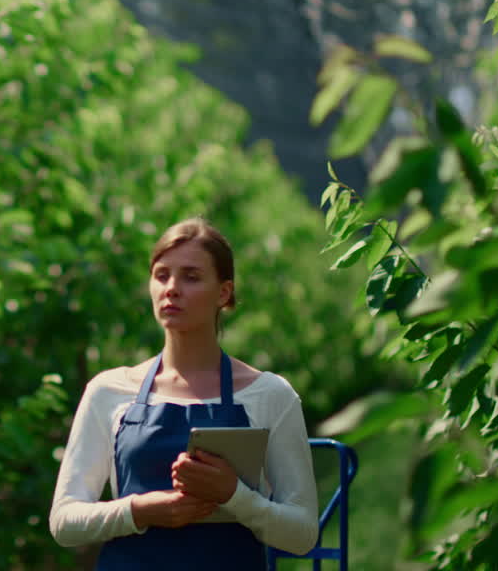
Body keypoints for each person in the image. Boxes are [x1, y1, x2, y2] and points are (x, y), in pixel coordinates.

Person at [49, 218, 318, 569]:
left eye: (191, 277)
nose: (172, 288)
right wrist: (140, 510)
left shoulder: (270, 395)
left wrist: (234, 495)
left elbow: (303, 534)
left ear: (223, 293)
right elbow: (64, 522)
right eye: (162, 275)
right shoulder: (108, 392)